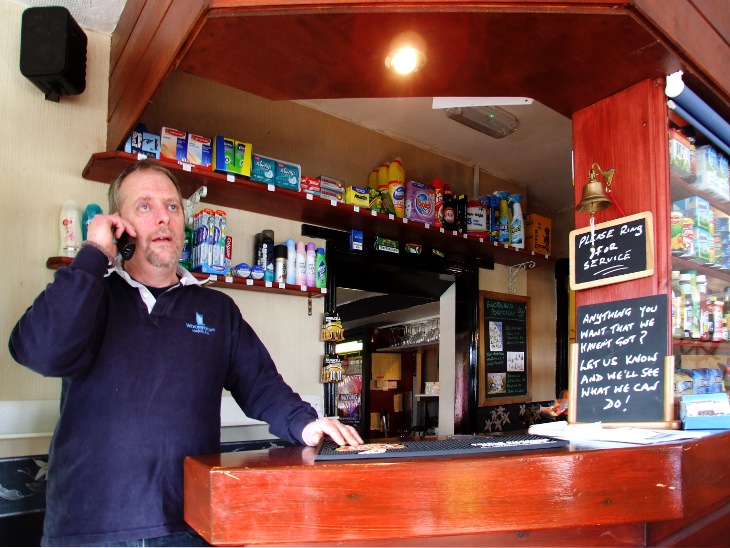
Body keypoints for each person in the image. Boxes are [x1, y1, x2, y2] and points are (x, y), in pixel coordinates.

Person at [9, 160, 362, 547]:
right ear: (118, 224)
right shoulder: (91, 293)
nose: (163, 218)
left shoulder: (217, 311)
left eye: (172, 207)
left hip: (188, 527)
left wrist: (307, 424)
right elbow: (39, 352)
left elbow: (262, 386)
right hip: (88, 529)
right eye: (145, 207)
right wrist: (94, 253)